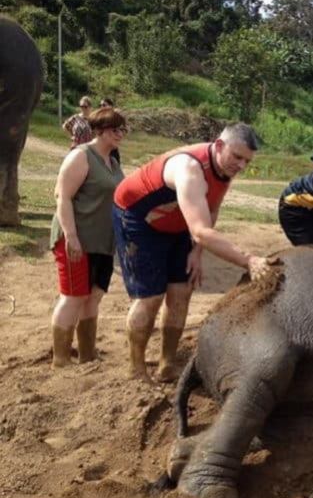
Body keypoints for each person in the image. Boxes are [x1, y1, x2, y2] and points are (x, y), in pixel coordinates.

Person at [113, 123, 269, 382]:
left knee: (181, 291)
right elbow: (199, 230)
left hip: (179, 223)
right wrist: (249, 260)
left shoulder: (225, 170)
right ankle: (136, 369)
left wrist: (197, 253)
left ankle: (167, 364)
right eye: (237, 157)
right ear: (219, 146)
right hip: (139, 220)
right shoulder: (190, 169)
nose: (241, 166)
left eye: (247, 161)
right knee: (150, 297)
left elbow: (211, 210)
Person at [49, 107, 127, 368]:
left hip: (102, 241)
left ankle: (87, 353)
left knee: (93, 296)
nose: (121, 134)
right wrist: (71, 236)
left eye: (123, 129)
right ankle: (60, 358)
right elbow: (63, 196)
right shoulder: (81, 157)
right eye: (116, 129)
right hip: (76, 238)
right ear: (101, 131)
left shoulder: (113, 163)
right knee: (73, 296)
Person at [99, 98, 121, 165]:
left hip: (112, 148)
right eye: (100, 105)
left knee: (115, 169)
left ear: (111, 106)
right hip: (102, 147)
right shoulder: (100, 118)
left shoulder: (116, 117)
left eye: (104, 105)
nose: (102, 107)